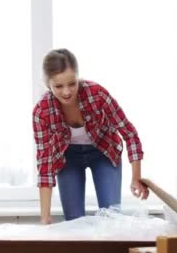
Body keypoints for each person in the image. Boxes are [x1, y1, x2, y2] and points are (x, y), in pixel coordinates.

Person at [32, 48, 149, 224]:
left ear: (78, 77)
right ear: (48, 84)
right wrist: (45, 217)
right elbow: (45, 164)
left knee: (111, 217)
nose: (66, 92)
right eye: (58, 86)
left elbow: (128, 133)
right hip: (68, 157)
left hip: (103, 151)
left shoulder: (97, 93)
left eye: (72, 83)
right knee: (73, 222)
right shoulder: (42, 111)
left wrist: (136, 178)